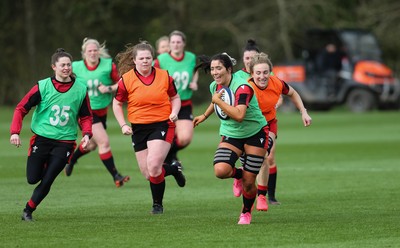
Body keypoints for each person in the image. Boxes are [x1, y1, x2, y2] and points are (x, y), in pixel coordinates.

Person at [10, 48, 93, 221]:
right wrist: (15, 132)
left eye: (69, 65)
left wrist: (86, 134)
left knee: (48, 179)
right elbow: (20, 108)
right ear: (53, 67)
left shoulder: (80, 89)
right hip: (42, 139)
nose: (66, 68)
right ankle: (47, 161)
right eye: (62, 65)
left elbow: (86, 116)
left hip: (65, 141)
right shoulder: (43, 86)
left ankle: (28, 211)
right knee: (33, 179)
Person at [193, 53, 271, 225]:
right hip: (232, 134)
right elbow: (217, 100)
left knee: (249, 184)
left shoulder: (243, 87)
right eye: (212, 69)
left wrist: (217, 102)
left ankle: (245, 212)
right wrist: (204, 116)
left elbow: (239, 115)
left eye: (218, 68)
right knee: (221, 171)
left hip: (255, 133)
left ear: (229, 69)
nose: (214, 72)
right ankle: (239, 175)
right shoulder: (215, 86)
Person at [112, 41, 185, 214]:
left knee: (153, 166)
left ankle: (157, 205)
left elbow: (175, 97)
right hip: (138, 128)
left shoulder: (164, 76)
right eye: (142, 58)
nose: (145, 61)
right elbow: (117, 104)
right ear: (135, 60)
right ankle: (174, 168)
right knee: (148, 174)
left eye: (148, 58)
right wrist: (123, 124)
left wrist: (174, 112)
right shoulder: (126, 80)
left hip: (162, 124)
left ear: (153, 59)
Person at [247, 52, 312, 210]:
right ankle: (240, 177)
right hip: (249, 126)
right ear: (251, 74)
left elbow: (293, 93)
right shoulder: (245, 88)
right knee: (249, 161)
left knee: (264, 156)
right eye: (258, 73)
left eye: (265, 72)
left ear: (270, 72)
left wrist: (303, 111)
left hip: (268, 124)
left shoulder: (276, 83)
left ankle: (262, 195)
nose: (262, 76)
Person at [64, 38, 130, 188]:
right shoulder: (75, 67)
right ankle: (116, 176)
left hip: (101, 112)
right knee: (104, 142)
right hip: (85, 112)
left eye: (95, 50)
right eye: (89, 51)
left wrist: (109, 89)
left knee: (92, 145)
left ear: (99, 52)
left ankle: (71, 159)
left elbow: (122, 82)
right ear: (84, 53)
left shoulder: (108, 66)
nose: (93, 53)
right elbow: (63, 81)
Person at [154, 30, 198, 166]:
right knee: (167, 136)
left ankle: (168, 156)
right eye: (173, 42)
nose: (176, 45)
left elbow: (195, 70)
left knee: (185, 138)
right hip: (166, 104)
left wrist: (194, 82)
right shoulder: (161, 60)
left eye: (178, 42)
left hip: (184, 104)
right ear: (169, 44)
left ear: (183, 43)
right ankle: (165, 160)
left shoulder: (191, 57)